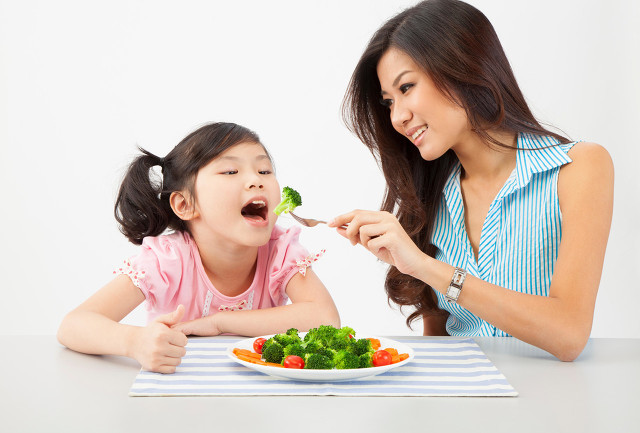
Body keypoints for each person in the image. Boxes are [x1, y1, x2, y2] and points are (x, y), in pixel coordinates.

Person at [330, 0, 613, 361]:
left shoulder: (578, 167)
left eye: (406, 88)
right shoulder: (430, 195)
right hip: (459, 405)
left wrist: (425, 266)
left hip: (550, 406)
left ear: (462, 66)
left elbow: (569, 334)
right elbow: (438, 344)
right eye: (388, 102)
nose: (398, 117)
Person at [58, 122, 340, 373]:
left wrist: (219, 323)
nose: (256, 180)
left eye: (264, 170)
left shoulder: (281, 251)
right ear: (185, 204)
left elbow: (324, 317)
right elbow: (73, 325)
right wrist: (134, 342)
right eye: (231, 171)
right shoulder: (167, 261)